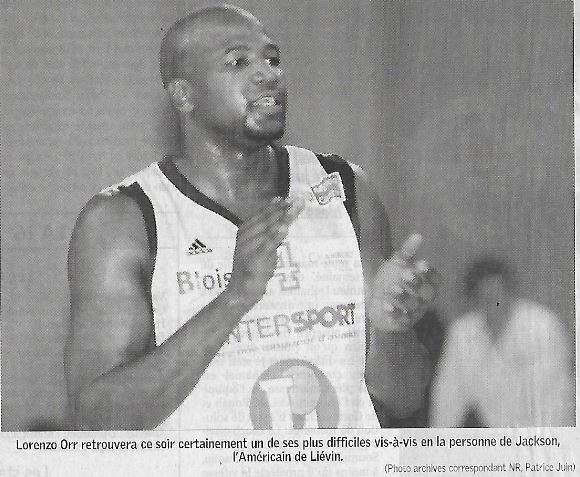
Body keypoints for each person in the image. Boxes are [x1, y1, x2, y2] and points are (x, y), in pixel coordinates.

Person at [65, 4, 436, 430]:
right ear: (184, 95)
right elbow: (99, 418)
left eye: (272, 59)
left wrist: (391, 330)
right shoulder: (124, 220)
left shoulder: (343, 188)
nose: (268, 74)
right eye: (238, 62)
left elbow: (403, 397)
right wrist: (235, 297)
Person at [430, 256, 574, 427]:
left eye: (498, 294)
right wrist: (439, 439)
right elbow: (448, 396)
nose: (494, 303)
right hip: (497, 435)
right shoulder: (462, 333)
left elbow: (551, 400)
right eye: (485, 297)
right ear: (474, 300)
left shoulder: (542, 326)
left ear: (510, 293)